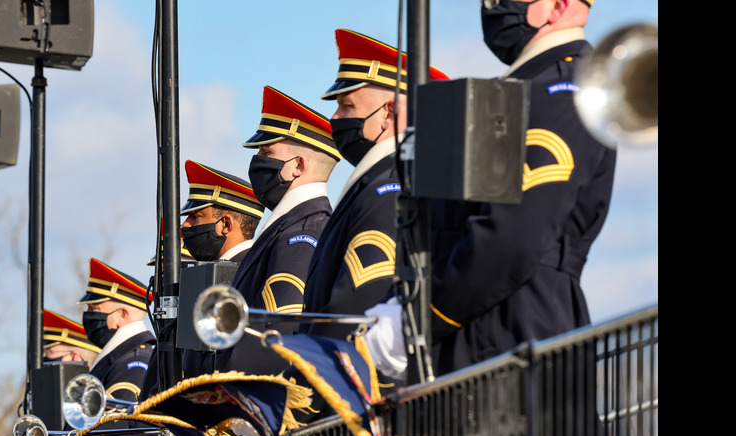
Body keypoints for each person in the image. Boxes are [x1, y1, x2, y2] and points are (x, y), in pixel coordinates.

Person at [365, 0, 618, 377]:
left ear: (559, 6)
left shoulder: (564, 92)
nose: (491, 6)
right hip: (482, 339)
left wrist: (421, 317)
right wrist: (400, 306)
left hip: (518, 338)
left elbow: (514, 236)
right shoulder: (523, 90)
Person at [302, 29, 448, 341]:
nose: (335, 117)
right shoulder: (374, 185)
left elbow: (352, 315)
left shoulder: (388, 191)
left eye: (347, 106)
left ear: (389, 114)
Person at [216, 86, 339, 376]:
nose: (257, 160)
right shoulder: (288, 227)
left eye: (266, 151)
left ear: (298, 165)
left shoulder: (303, 232)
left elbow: (272, 335)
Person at [55, 258, 157, 436]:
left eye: (95, 307)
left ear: (122, 314)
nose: (89, 314)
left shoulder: (134, 363)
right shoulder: (120, 358)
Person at [180, 160, 264, 263]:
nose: (185, 224)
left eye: (196, 216)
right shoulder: (250, 266)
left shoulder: (253, 270)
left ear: (226, 225)